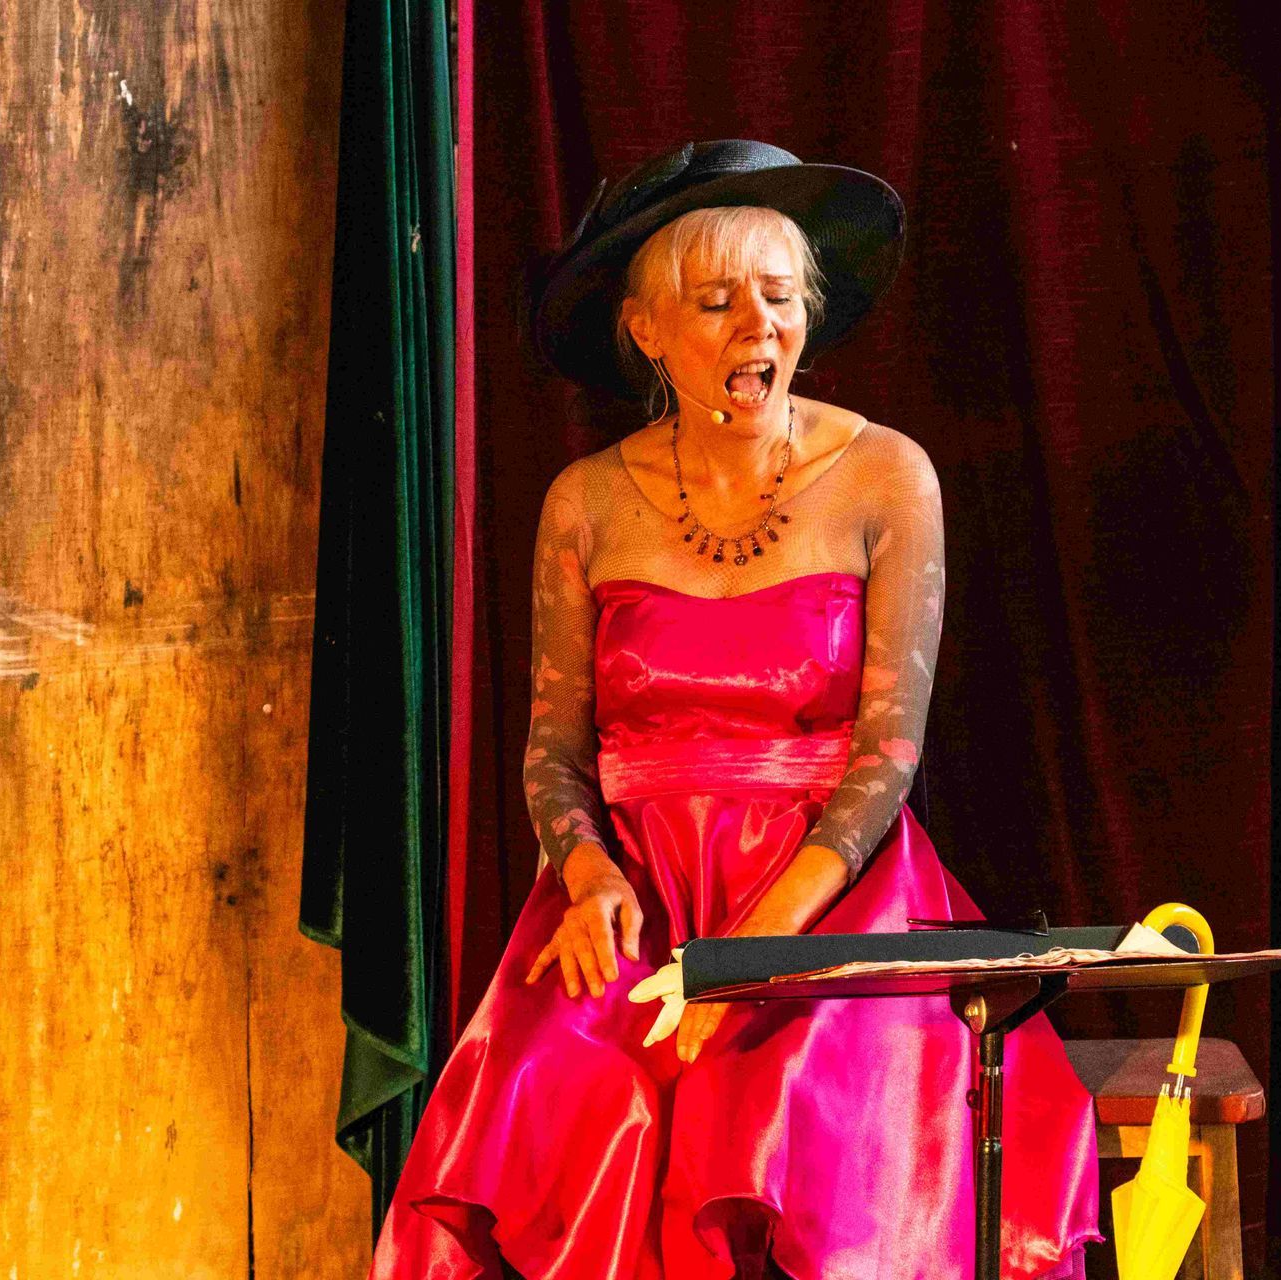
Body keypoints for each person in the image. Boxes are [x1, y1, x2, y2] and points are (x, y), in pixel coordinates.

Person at [370, 139, 1099, 1280]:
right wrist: (588, 874)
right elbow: (554, 752)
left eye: (780, 297)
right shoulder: (583, 503)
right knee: (569, 1086)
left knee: (772, 1103)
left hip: (829, 894)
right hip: (636, 894)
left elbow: (887, 754)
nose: (758, 326)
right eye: (717, 303)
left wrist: (752, 950)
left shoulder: (888, 476)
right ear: (648, 331)